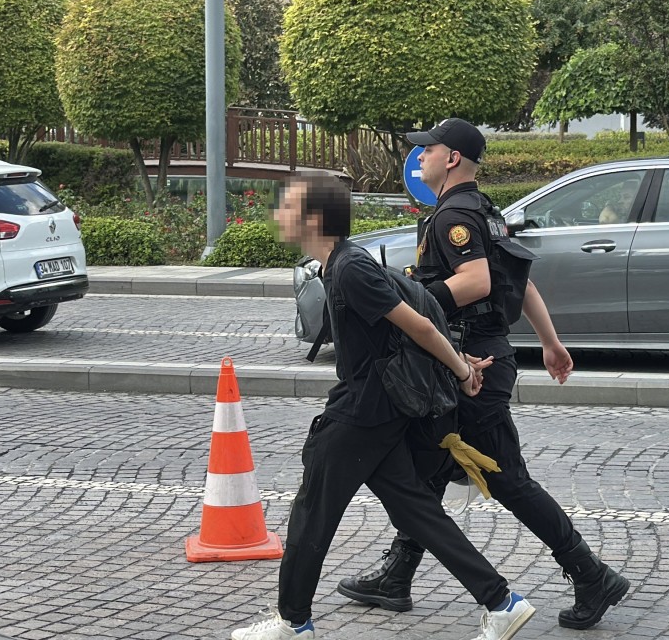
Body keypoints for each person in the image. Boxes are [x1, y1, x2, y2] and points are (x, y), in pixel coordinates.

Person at [336, 118, 631, 631]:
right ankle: (397, 573)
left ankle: (589, 573)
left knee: (501, 479)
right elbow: (520, 284)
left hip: (474, 364)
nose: (419, 157)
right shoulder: (484, 211)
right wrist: (551, 342)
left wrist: (411, 304)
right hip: (481, 356)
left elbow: (477, 282)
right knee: (425, 467)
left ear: (451, 159)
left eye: (427, 150)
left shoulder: (454, 214)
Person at [230, 172, 536, 640]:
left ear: (313, 219)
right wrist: (458, 364)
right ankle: (502, 602)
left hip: (363, 410)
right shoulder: (344, 262)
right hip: (381, 406)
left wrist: (461, 370)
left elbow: (420, 327)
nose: (278, 217)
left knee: (313, 509)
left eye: (286, 208)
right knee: (416, 510)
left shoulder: (350, 267)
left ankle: (293, 623)